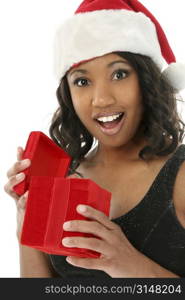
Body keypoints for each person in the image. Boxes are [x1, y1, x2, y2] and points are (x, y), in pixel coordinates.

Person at [4, 0, 185, 278]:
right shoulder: (60, 179)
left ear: (146, 81)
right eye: (82, 81)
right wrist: (25, 226)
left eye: (119, 74)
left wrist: (129, 265)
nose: (101, 99)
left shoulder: (180, 175)